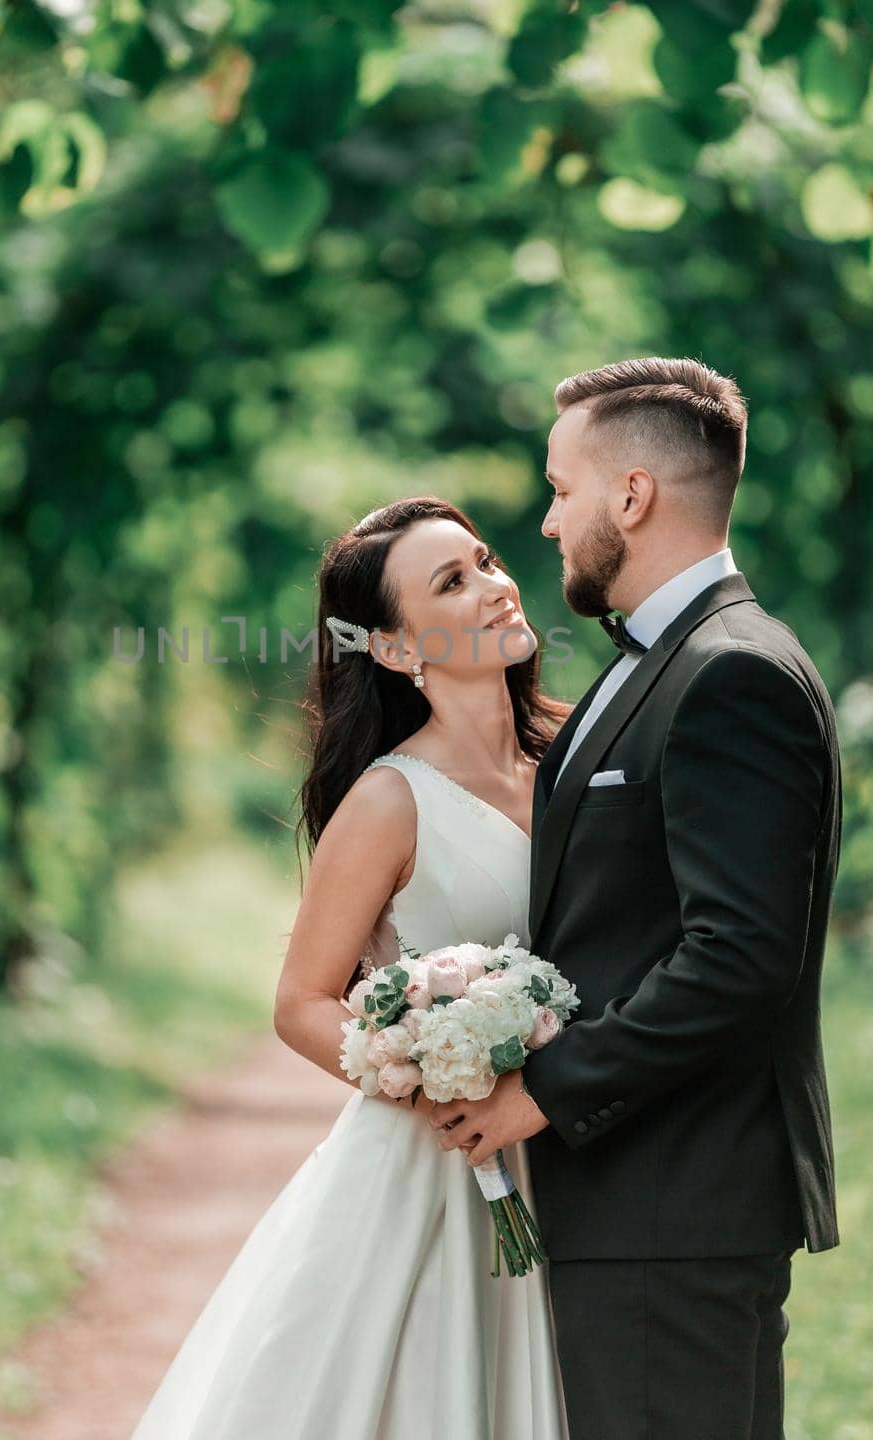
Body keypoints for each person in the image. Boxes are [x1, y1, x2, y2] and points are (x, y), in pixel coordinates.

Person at [432, 356, 841, 1440]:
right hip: (644, 1204)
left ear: (631, 495)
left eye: (561, 489)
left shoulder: (729, 671)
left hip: (675, 1206)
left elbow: (734, 958)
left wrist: (546, 1088)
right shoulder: (654, 660)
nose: (549, 521)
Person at [128, 495, 573, 1439]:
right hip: (435, 1163)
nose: (495, 588)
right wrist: (432, 1079)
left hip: (573, 1142)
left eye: (487, 561)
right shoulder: (389, 799)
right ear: (397, 650)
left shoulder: (575, 755)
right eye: (452, 582)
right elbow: (300, 1002)